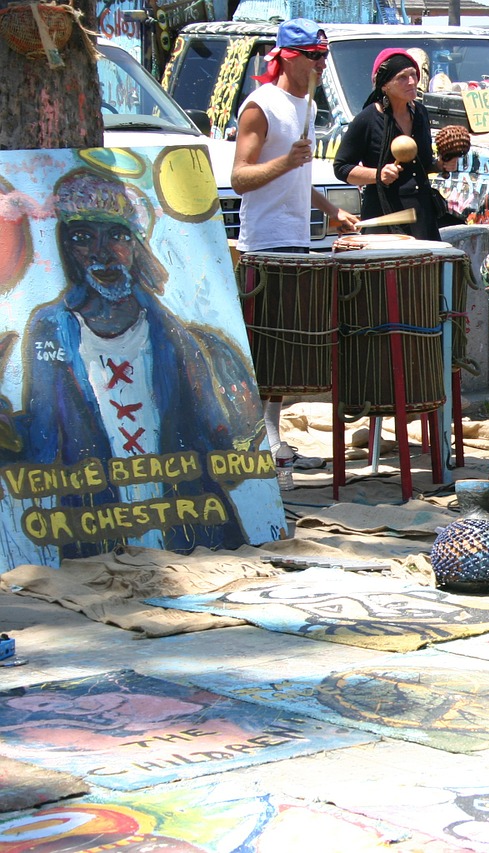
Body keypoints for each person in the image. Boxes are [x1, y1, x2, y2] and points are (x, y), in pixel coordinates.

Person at [5, 169, 272, 558]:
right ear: (66, 248)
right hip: (94, 522)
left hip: (187, 521)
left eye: (116, 235)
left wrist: (245, 427)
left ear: (135, 244)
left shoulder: (176, 334)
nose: (101, 252)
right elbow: (43, 441)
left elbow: (222, 446)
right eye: (83, 238)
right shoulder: (50, 327)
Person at [230, 18, 359, 475]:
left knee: (286, 352)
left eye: (324, 56)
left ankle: (275, 440)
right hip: (264, 245)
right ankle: (262, 441)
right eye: (315, 57)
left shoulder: (304, 104)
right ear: (288, 57)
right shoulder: (260, 107)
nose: (321, 65)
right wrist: (287, 160)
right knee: (268, 349)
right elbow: (240, 178)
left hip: (297, 242)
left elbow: (297, 178)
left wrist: (329, 210)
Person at [334, 48, 463, 242]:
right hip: (383, 216)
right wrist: (378, 175)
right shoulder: (367, 119)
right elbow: (341, 168)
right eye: (402, 77)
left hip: (421, 215)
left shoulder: (420, 113)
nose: (411, 82)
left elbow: (423, 164)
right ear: (384, 85)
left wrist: (441, 164)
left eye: (413, 74)